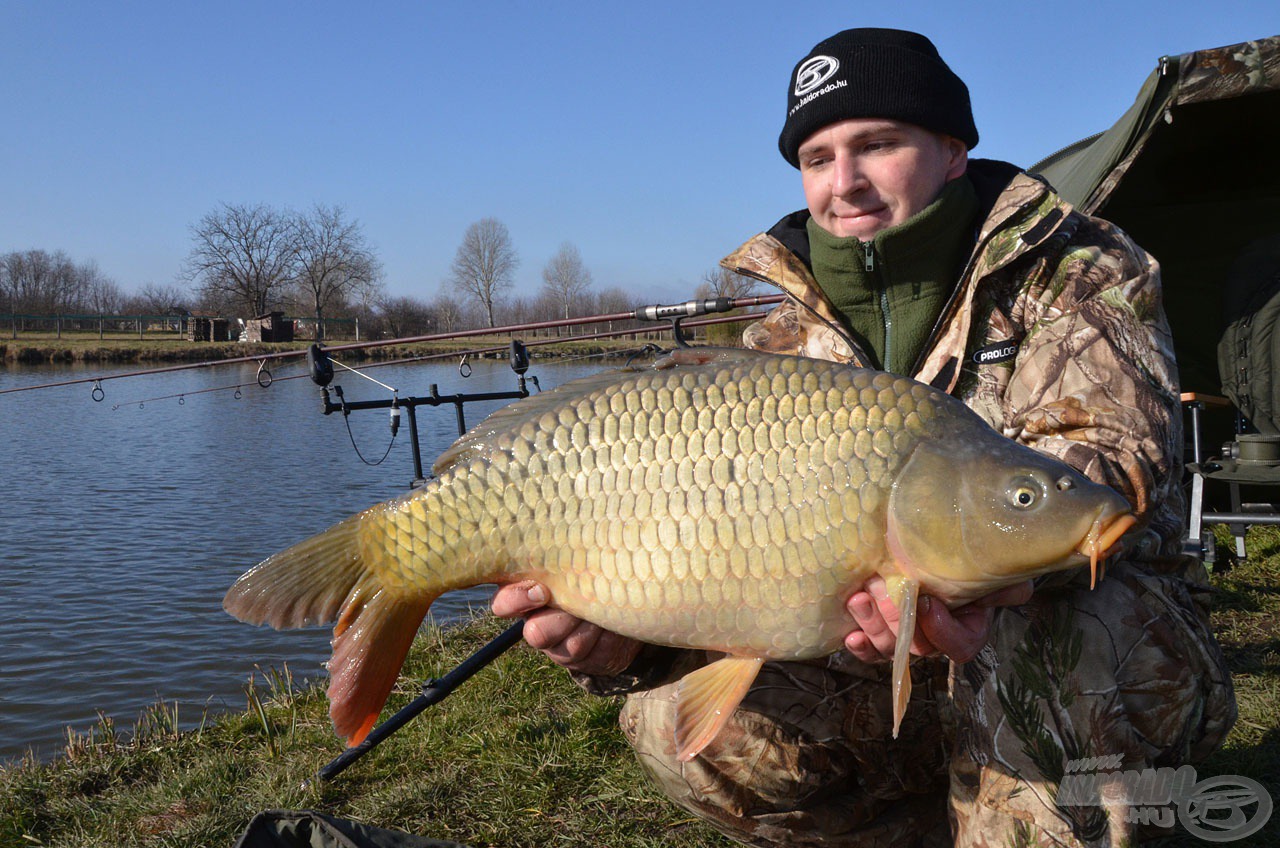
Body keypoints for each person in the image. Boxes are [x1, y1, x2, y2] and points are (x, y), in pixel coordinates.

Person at [492, 28, 1235, 847]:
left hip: (1054, 627)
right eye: (817, 158)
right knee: (678, 717)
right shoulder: (776, 344)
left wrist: (978, 582)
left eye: (877, 145)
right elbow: (723, 562)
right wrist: (627, 644)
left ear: (952, 150)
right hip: (860, 656)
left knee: (1072, 645)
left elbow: (1107, 460)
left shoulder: (1080, 269)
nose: (843, 184)